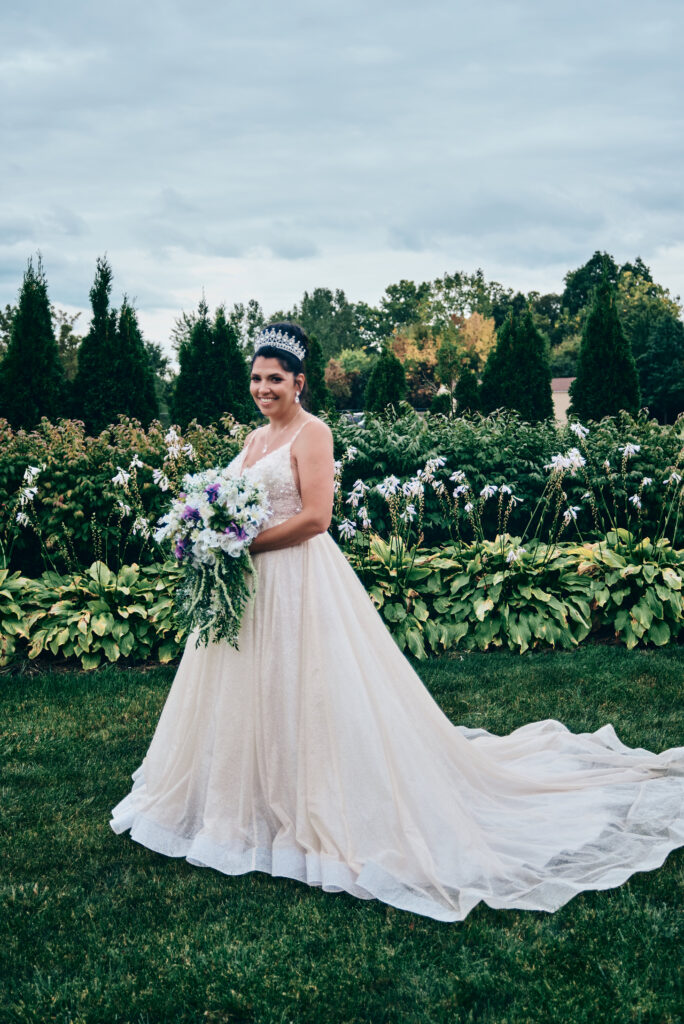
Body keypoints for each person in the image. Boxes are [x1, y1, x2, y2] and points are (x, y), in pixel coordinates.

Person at [111, 322, 684, 922]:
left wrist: (243, 545)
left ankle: (317, 803)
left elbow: (315, 518)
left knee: (308, 689)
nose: (262, 388)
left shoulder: (313, 433)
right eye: (256, 379)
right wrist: (207, 531)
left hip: (296, 577)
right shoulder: (254, 440)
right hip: (252, 588)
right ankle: (247, 801)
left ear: (299, 382)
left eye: (274, 379)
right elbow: (230, 499)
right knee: (252, 691)